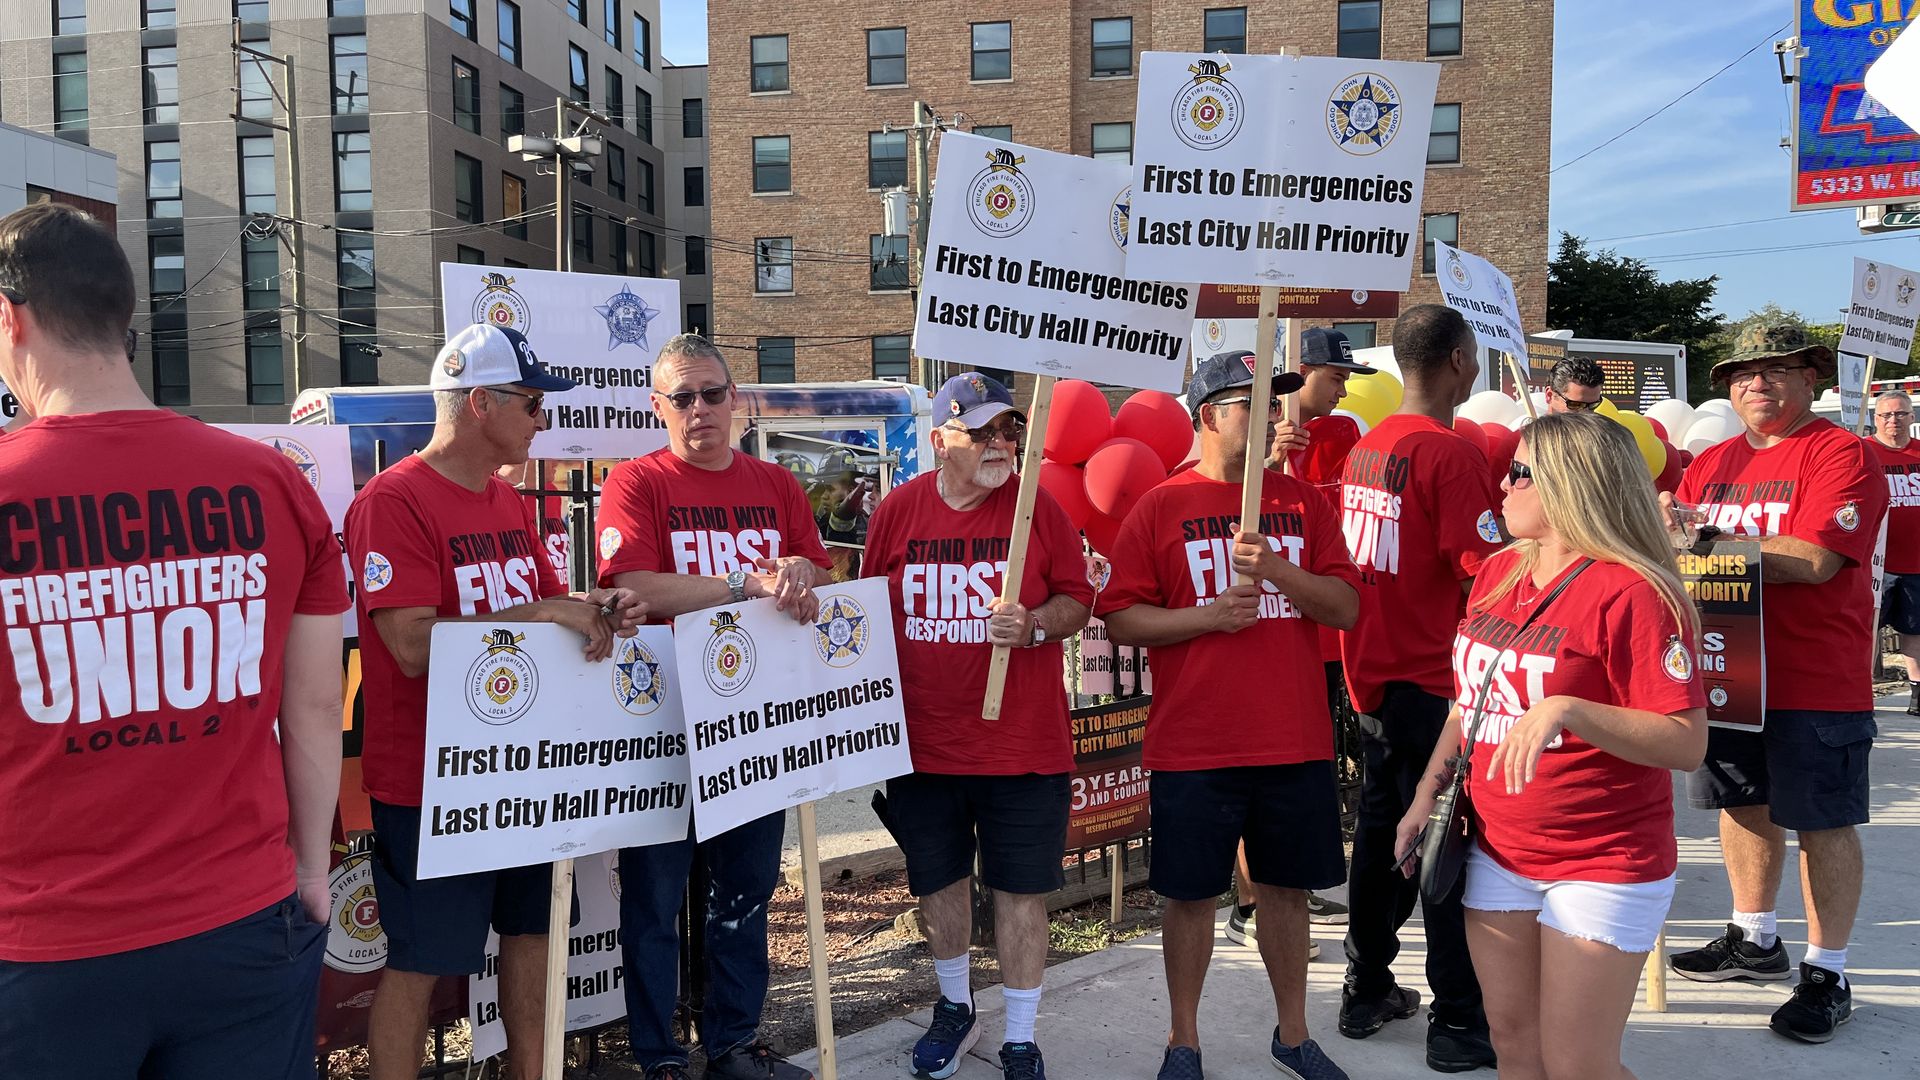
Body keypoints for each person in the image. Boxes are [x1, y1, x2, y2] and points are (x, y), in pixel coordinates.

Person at [0, 203, 348, 1077]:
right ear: (126, 318)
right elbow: (311, 703)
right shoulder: (270, 480)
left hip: (42, 946)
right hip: (243, 923)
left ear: (13, 321)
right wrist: (312, 875)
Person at [347, 322, 646, 1080]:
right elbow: (412, 646)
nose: (544, 419)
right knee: (419, 964)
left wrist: (595, 609)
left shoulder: (508, 505)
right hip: (430, 784)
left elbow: (542, 610)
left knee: (535, 938)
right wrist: (548, 614)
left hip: (522, 775)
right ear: (481, 402)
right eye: (534, 403)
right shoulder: (393, 500)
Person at [1395, 412, 1708, 1080]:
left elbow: (1686, 742)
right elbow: (1469, 703)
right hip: (1498, 849)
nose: (1500, 487)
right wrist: (1426, 795)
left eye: (1517, 472)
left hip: (1603, 858)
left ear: (1570, 483)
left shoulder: (1635, 593)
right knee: (1513, 1044)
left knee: (1578, 1065)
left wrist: (1568, 710)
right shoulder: (1499, 572)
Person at [1102, 351, 1361, 1080]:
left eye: (1279, 399)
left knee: (1285, 891)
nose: (1278, 414)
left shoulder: (1302, 502)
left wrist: (1278, 569)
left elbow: (1345, 606)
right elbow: (1119, 617)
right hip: (1194, 742)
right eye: (1256, 402)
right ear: (1211, 414)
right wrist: (1208, 617)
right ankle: (1183, 1042)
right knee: (1189, 897)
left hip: (1293, 737)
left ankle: (1292, 1034)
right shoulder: (1160, 505)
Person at [595, 333, 832, 1080]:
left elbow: (819, 569)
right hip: (661, 724)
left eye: (713, 393)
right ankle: (659, 1057)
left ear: (738, 399)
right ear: (658, 407)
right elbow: (632, 585)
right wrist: (746, 584)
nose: (701, 409)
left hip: (753, 727)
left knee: (745, 894)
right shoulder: (636, 482)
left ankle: (733, 1044)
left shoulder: (777, 484)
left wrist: (800, 569)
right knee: (655, 902)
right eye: (683, 397)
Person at [860, 372, 1094, 1080]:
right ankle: (956, 1005)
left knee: (1021, 892)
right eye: (983, 432)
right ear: (939, 442)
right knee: (940, 883)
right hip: (925, 747)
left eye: (1010, 431)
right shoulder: (897, 513)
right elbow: (870, 615)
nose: (1001, 444)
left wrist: (1033, 626)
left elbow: (1077, 600)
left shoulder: (1036, 510)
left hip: (1022, 747)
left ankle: (1021, 1036)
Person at [1667, 323, 1887, 1044]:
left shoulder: (1841, 453)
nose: (1755, 384)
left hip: (1816, 679)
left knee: (1822, 823)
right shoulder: (1712, 463)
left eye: (1776, 371)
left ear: (1813, 380)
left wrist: (1703, 540)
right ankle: (1754, 938)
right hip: (1730, 675)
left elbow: (1816, 557)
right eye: (1742, 373)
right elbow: (1676, 543)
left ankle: (1828, 974)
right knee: (1741, 803)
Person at [1337, 303, 1502, 1072]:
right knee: (1443, 842)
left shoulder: (1367, 449)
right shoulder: (1451, 454)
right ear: (1462, 362)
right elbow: (1487, 579)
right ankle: (1459, 1021)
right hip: (1435, 680)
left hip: (1370, 671)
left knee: (1381, 835)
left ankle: (1366, 987)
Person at [1228, 330, 1369, 951]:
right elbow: (1222, 498)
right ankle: (1248, 903)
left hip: (1314, 637)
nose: (1341, 389)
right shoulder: (1253, 439)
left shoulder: (1343, 435)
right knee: (1244, 772)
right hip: (1250, 640)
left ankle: (1287, 889)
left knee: (1297, 780)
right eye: (1334, 375)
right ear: (1303, 370)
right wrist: (1265, 459)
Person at [1866, 390, 1920, 713]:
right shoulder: (1864, 453)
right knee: (1868, 630)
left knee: (1914, 631)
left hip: (1915, 562)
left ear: (1912, 418)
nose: (1893, 421)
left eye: (1900, 414)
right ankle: (1861, 691)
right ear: (1875, 419)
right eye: (1886, 415)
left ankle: (1917, 693)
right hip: (1876, 564)